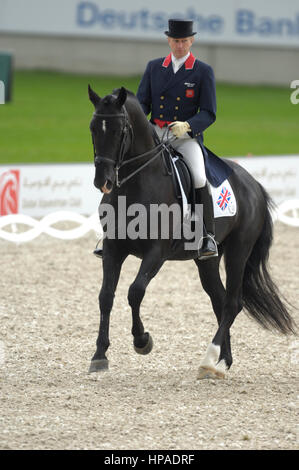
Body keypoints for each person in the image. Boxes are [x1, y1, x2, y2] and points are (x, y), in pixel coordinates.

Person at [136, 18, 224, 259]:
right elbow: (142, 102)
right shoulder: (154, 67)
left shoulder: (203, 71)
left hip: (184, 137)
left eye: (184, 41)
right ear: (169, 40)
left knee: (198, 176)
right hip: (155, 132)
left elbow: (209, 112)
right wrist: (142, 124)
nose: (180, 45)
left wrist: (188, 126)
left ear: (191, 41)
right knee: (127, 164)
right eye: (176, 41)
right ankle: (110, 232)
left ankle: (206, 236)